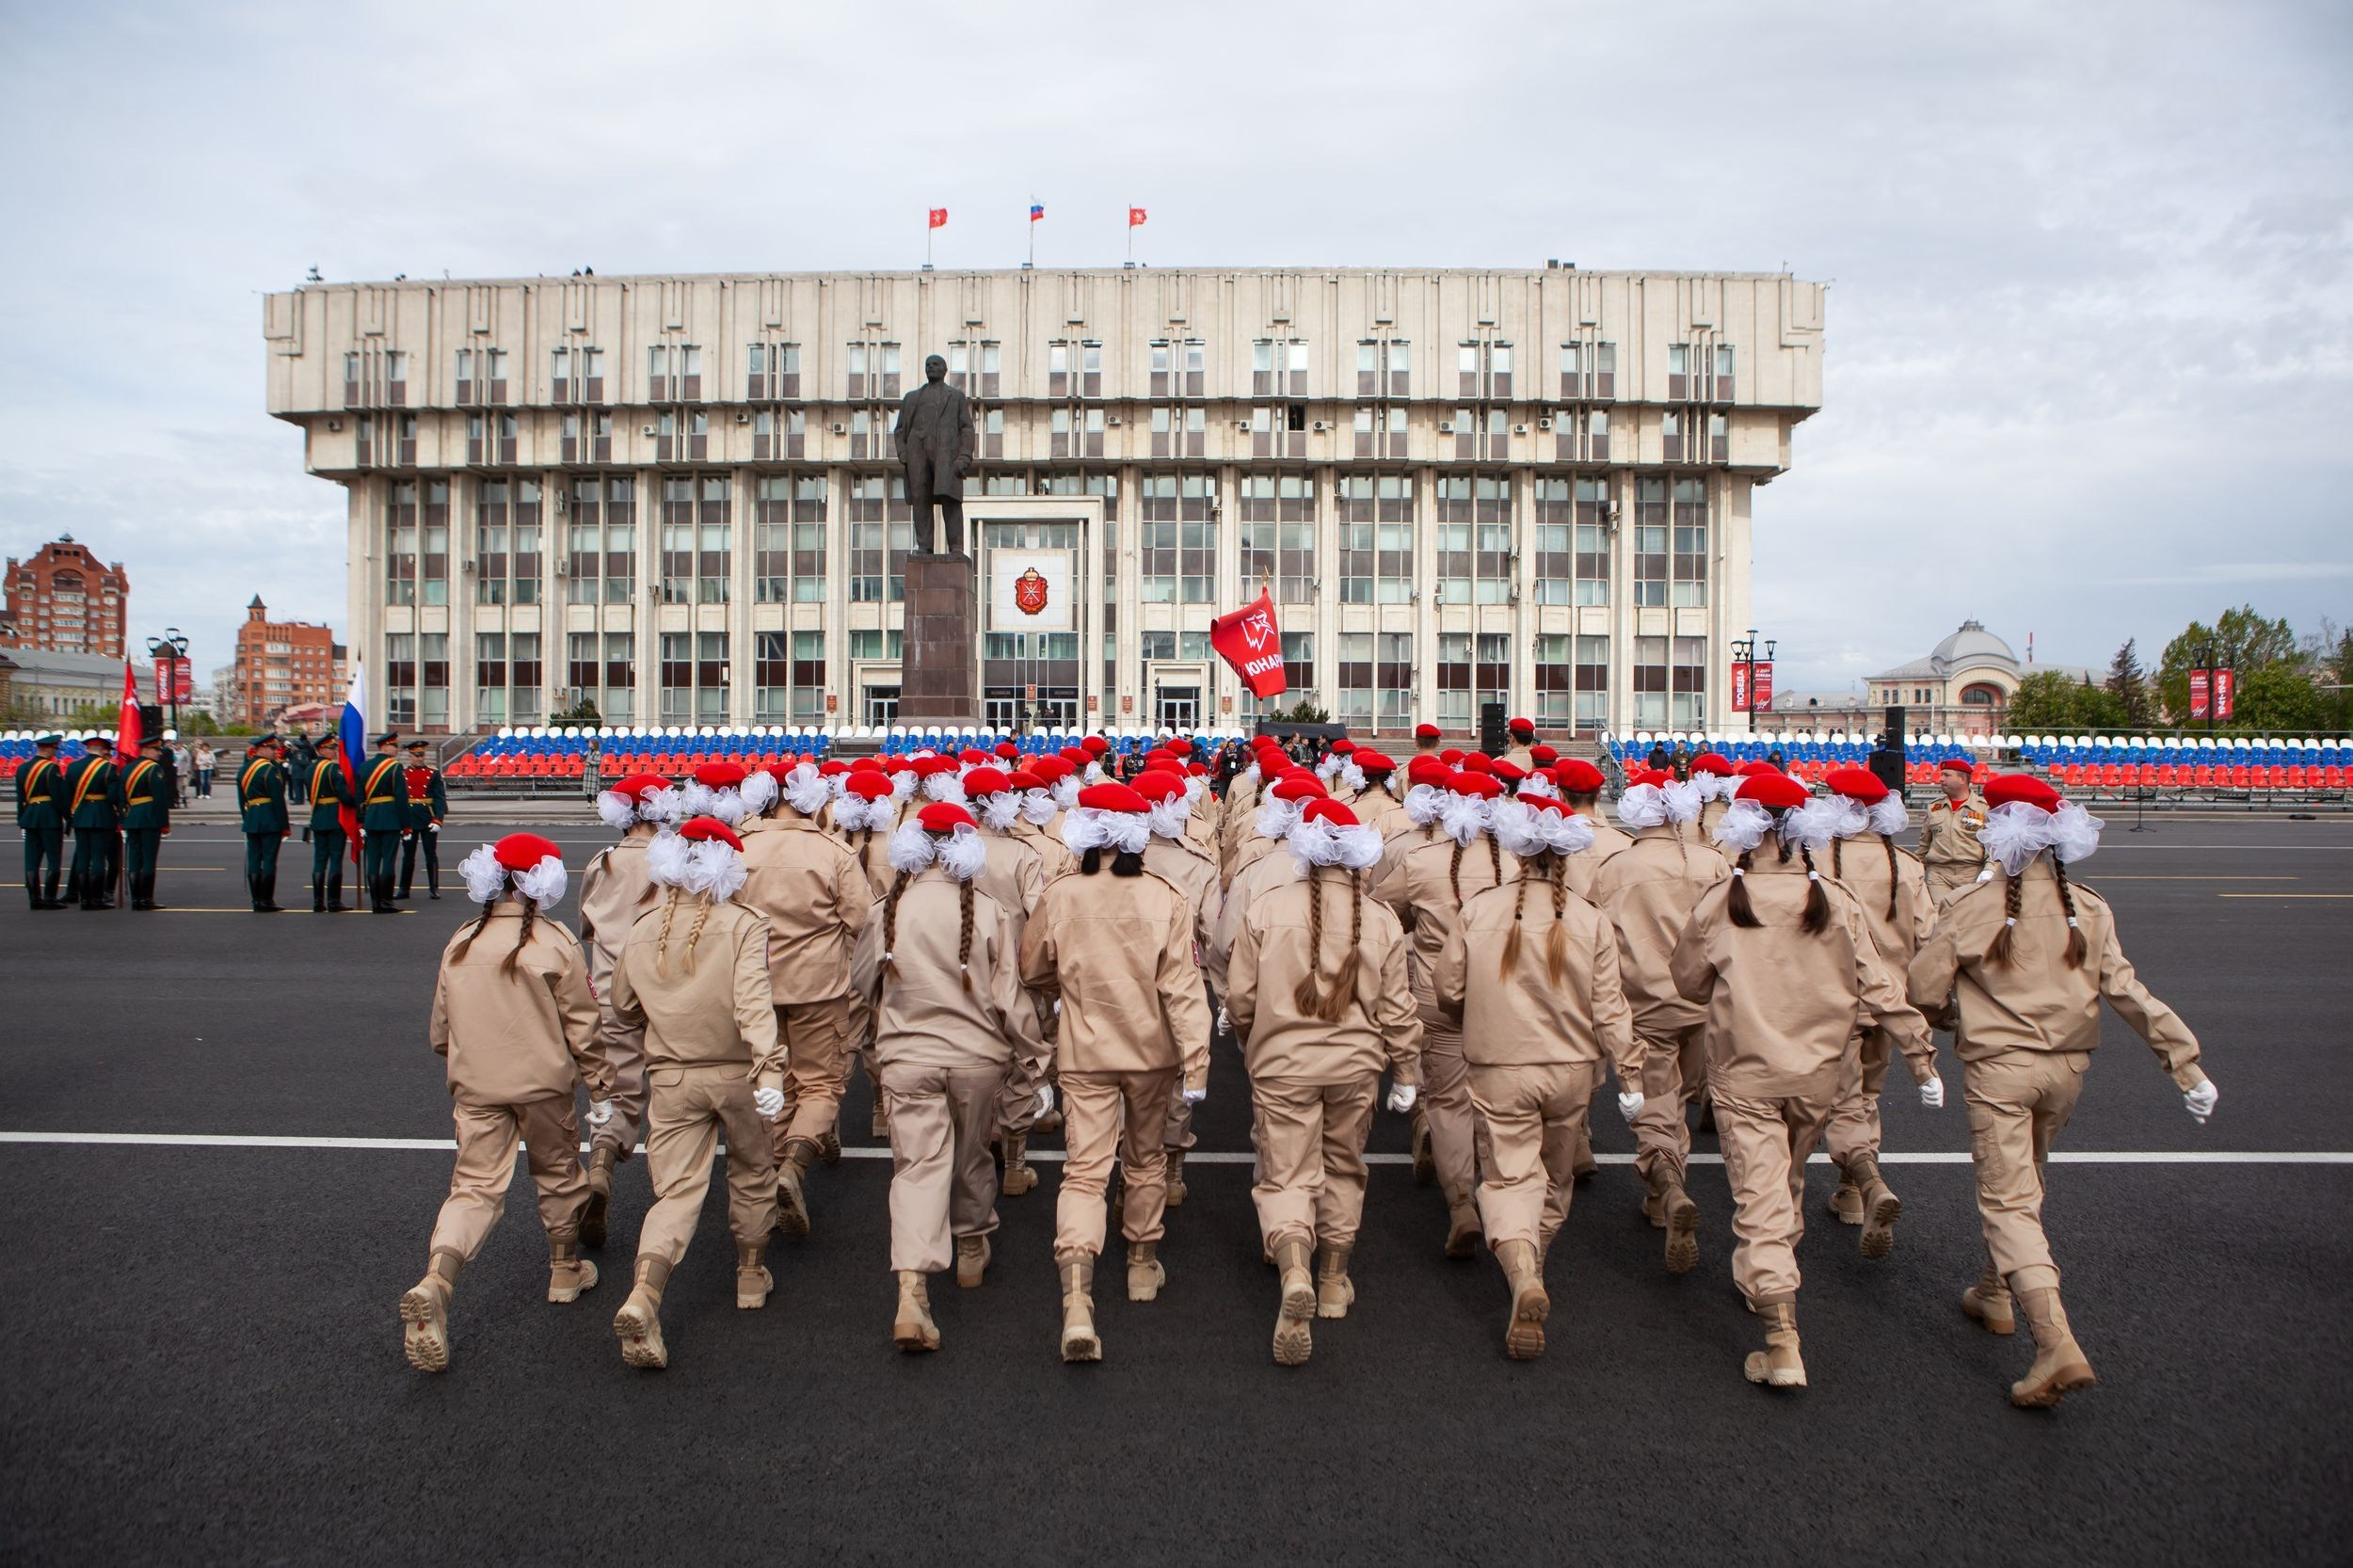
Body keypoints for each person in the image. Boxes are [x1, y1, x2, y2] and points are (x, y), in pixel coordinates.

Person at [1908, 774, 2217, 1409]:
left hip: (2000, 1071)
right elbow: (2129, 993)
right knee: (2028, 1178)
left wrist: (1953, 1017)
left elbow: (1922, 989)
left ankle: (2054, 1344)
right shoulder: (2089, 908)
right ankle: (1996, 1292)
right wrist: (2185, 1064)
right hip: (2067, 1072)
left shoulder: (1974, 906)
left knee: (2008, 1200)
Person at [1670, 771, 1942, 1390]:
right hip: (1820, 1071)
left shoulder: (1722, 900)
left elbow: (1686, 980)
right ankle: (1774, 1273)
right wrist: (1920, 1054)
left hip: (1747, 1070)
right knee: (1787, 1175)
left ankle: (1780, 1332)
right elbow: (1880, 984)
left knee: (1761, 1194)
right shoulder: (1834, 898)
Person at [1436, 792, 1639, 1359]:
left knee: (1506, 1176)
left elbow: (1448, 990)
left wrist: (1472, 1016)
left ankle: (1521, 1266)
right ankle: (1534, 1261)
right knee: (1554, 1177)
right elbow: (1610, 1006)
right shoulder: (1590, 918)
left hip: (1500, 1063)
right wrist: (1632, 1073)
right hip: (1571, 1071)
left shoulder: (1479, 910)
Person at [400, 834, 609, 1373]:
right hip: (542, 1088)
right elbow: (583, 1028)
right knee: (559, 1174)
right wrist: (601, 1082)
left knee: (473, 1189)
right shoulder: (556, 943)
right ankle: (564, 1271)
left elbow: (440, 1032)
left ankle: (437, 1280)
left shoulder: (461, 941)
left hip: (477, 1087)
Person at [1019, 782, 1213, 1364]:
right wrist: (1197, 1060)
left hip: (1085, 1053)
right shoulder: (1166, 896)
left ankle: (1077, 1298)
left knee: (1084, 1172)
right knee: (1146, 1158)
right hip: (1151, 1054)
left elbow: (1033, 968)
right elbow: (1183, 988)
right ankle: (1141, 1263)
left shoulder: (1061, 893)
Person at [852, 803, 1049, 1351]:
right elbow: (1010, 998)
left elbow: (861, 985)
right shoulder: (986, 911)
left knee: (916, 1169)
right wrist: (1035, 1058)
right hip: (977, 1061)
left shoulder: (888, 909)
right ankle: (969, 1247)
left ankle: (912, 1291)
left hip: (906, 1059)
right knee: (971, 1155)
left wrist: (872, 1037)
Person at [1228, 798, 1418, 1365]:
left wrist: (1250, 1039)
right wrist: (1406, 1069)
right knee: (1343, 1166)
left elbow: (1240, 999)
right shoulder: (1379, 918)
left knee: (1287, 1173)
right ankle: (1334, 1279)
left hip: (1283, 1063)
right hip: (1356, 1065)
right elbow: (1398, 1007)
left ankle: (1294, 1272)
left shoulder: (1265, 908)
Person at [609, 817, 784, 1369]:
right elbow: (753, 1003)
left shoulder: (641, 928)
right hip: (737, 1074)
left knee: (677, 1194)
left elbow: (622, 1007)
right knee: (754, 1172)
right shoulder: (744, 925)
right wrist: (771, 1069)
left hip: (673, 1078)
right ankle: (751, 1275)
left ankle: (645, 1292)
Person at [1371, 769, 1519, 1256]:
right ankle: (1506, 1210)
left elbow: (1378, 913)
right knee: (1499, 1105)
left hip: (1438, 997)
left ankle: (1460, 1201)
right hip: (1504, 999)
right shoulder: (1520, 864)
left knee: (1449, 1101)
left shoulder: (1421, 861)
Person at [1589, 768, 1726, 1272]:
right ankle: (1664, 1184)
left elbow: (1594, 932)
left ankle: (1666, 1180)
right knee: (1683, 1095)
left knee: (1657, 1099)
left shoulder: (1615, 867)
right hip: (1704, 1000)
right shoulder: (1713, 862)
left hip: (1643, 1000)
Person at [736, 759, 873, 1234]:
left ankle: (774, 1167)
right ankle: (794, 1166)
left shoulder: (741, 847)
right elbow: (861, 921)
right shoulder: (831, 850)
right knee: (820, 1082)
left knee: (772, 1083)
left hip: (754, 986)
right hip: (819, 986)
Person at [1806, 768, 1937, 1256]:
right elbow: (1928, 936)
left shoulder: (1816, 860)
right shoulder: (1905, 864)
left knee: (1841, 1099)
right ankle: (1852, 1188)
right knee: (1869, 1095)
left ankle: (1863, 1181)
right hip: (1890, 999)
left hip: (1835, 997)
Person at [576, 773, 678, 1247]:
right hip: (664, 986)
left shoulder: (603, 862)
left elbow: (587, 926)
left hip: (609, 988)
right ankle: (669, 1194)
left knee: (618, 1087)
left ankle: (601, 1163)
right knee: (672, 1087)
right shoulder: (672, 860)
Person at [1132, 767, 1219, 1208]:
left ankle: (1135, 1171)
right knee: (1182, 1072)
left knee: (1128, 1075)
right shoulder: (1198, 862)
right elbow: (1214, 933)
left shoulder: (1117, 858)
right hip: (1184, 977)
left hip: (1126, 983)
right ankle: (1169, 1169)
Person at [62, 734, 125, 910]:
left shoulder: (73, 767)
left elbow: (67, 796)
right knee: (98, 859)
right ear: (104, 750)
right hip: (102, 816)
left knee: (83, 858)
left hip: (81, 816)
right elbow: (113, 797)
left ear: (87, 749)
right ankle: (96, 899)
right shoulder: (108, 769)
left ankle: (84, 898)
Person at [1918, 757, 1989, 904]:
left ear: (1962, 779)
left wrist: (1990, 869)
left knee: (1967, 918)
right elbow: (1924, 844)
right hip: (1938, 873)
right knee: (1940, 917)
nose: (1941, 779)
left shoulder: (1984, 808)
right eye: (1941, 774)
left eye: (1947, 775)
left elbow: (1991, 846)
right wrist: (1916, 868)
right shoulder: (1934, 808)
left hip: (1970, 872)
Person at [235, 733, 290, 914]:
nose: (275, 751)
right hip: (269, 819)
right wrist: (284, 825)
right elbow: (278, 800)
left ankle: (256, 900)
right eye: (272, 748)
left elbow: (241, 800)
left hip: (252, 817)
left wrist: (248, 818)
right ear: (262, 749)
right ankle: (267, 900)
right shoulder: (270, 770)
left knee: (253, 860)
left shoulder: (244, 769)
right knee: (268, 860)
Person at [15, 733, 68, 909]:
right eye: (54, 749)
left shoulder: (22, 768)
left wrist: (22, 818)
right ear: (48, 749)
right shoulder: (51, 769)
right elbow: (58, 797)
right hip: (49, 816)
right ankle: (50, 898)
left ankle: (34, 899)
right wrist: (67, 816)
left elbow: (21, 798)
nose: (55, 752)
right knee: (53, 859)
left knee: (32, 860)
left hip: (30, 815)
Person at [120, 735, 173, 911]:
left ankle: (136, 899)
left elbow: (121, 798)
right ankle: (146, 899)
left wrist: (123, 818)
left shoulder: (127, 769)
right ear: (146, 750)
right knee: (149, 859)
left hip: (132, 816)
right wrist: (164, 822)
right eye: (156, 750)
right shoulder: (153, 769)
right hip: (149, 817)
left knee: (134, 859)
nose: (159, 753)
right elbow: (160, 798)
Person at [358, 732, 407, 914]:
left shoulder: (365, 767)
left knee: (372, 861)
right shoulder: (395, 767)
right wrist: (406, 824)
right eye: (394, 746)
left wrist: (360, 821)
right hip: (391, 817)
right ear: (385, 747)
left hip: (371, 818)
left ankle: (375, 903)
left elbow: (359, 797)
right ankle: (386, 902)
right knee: (388, 861)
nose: (396, 749)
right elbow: (401, 798)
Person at [306, 733, 355, 913]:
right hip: (335, 818)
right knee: (335, 859)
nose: (335, 751)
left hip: (318, 817)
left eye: (335, 748)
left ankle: (318, 902)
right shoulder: (334, 770)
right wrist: (358, 800)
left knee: (319, 860)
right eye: (331, 748)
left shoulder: (310, 769)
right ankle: (334, 901)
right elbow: (344, 796)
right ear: (321, 750)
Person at [398, 738, 449, 900]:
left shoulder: (433, 774)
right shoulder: (403, 774)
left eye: (421, 755)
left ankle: (434, 888)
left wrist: (438, 819)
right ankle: (404, 889)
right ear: (410, 757)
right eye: (416, 755)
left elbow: (440, 798)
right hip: (410, 818)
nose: (420, 758)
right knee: (408, 856)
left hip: (428, 817)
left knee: (430, 854)